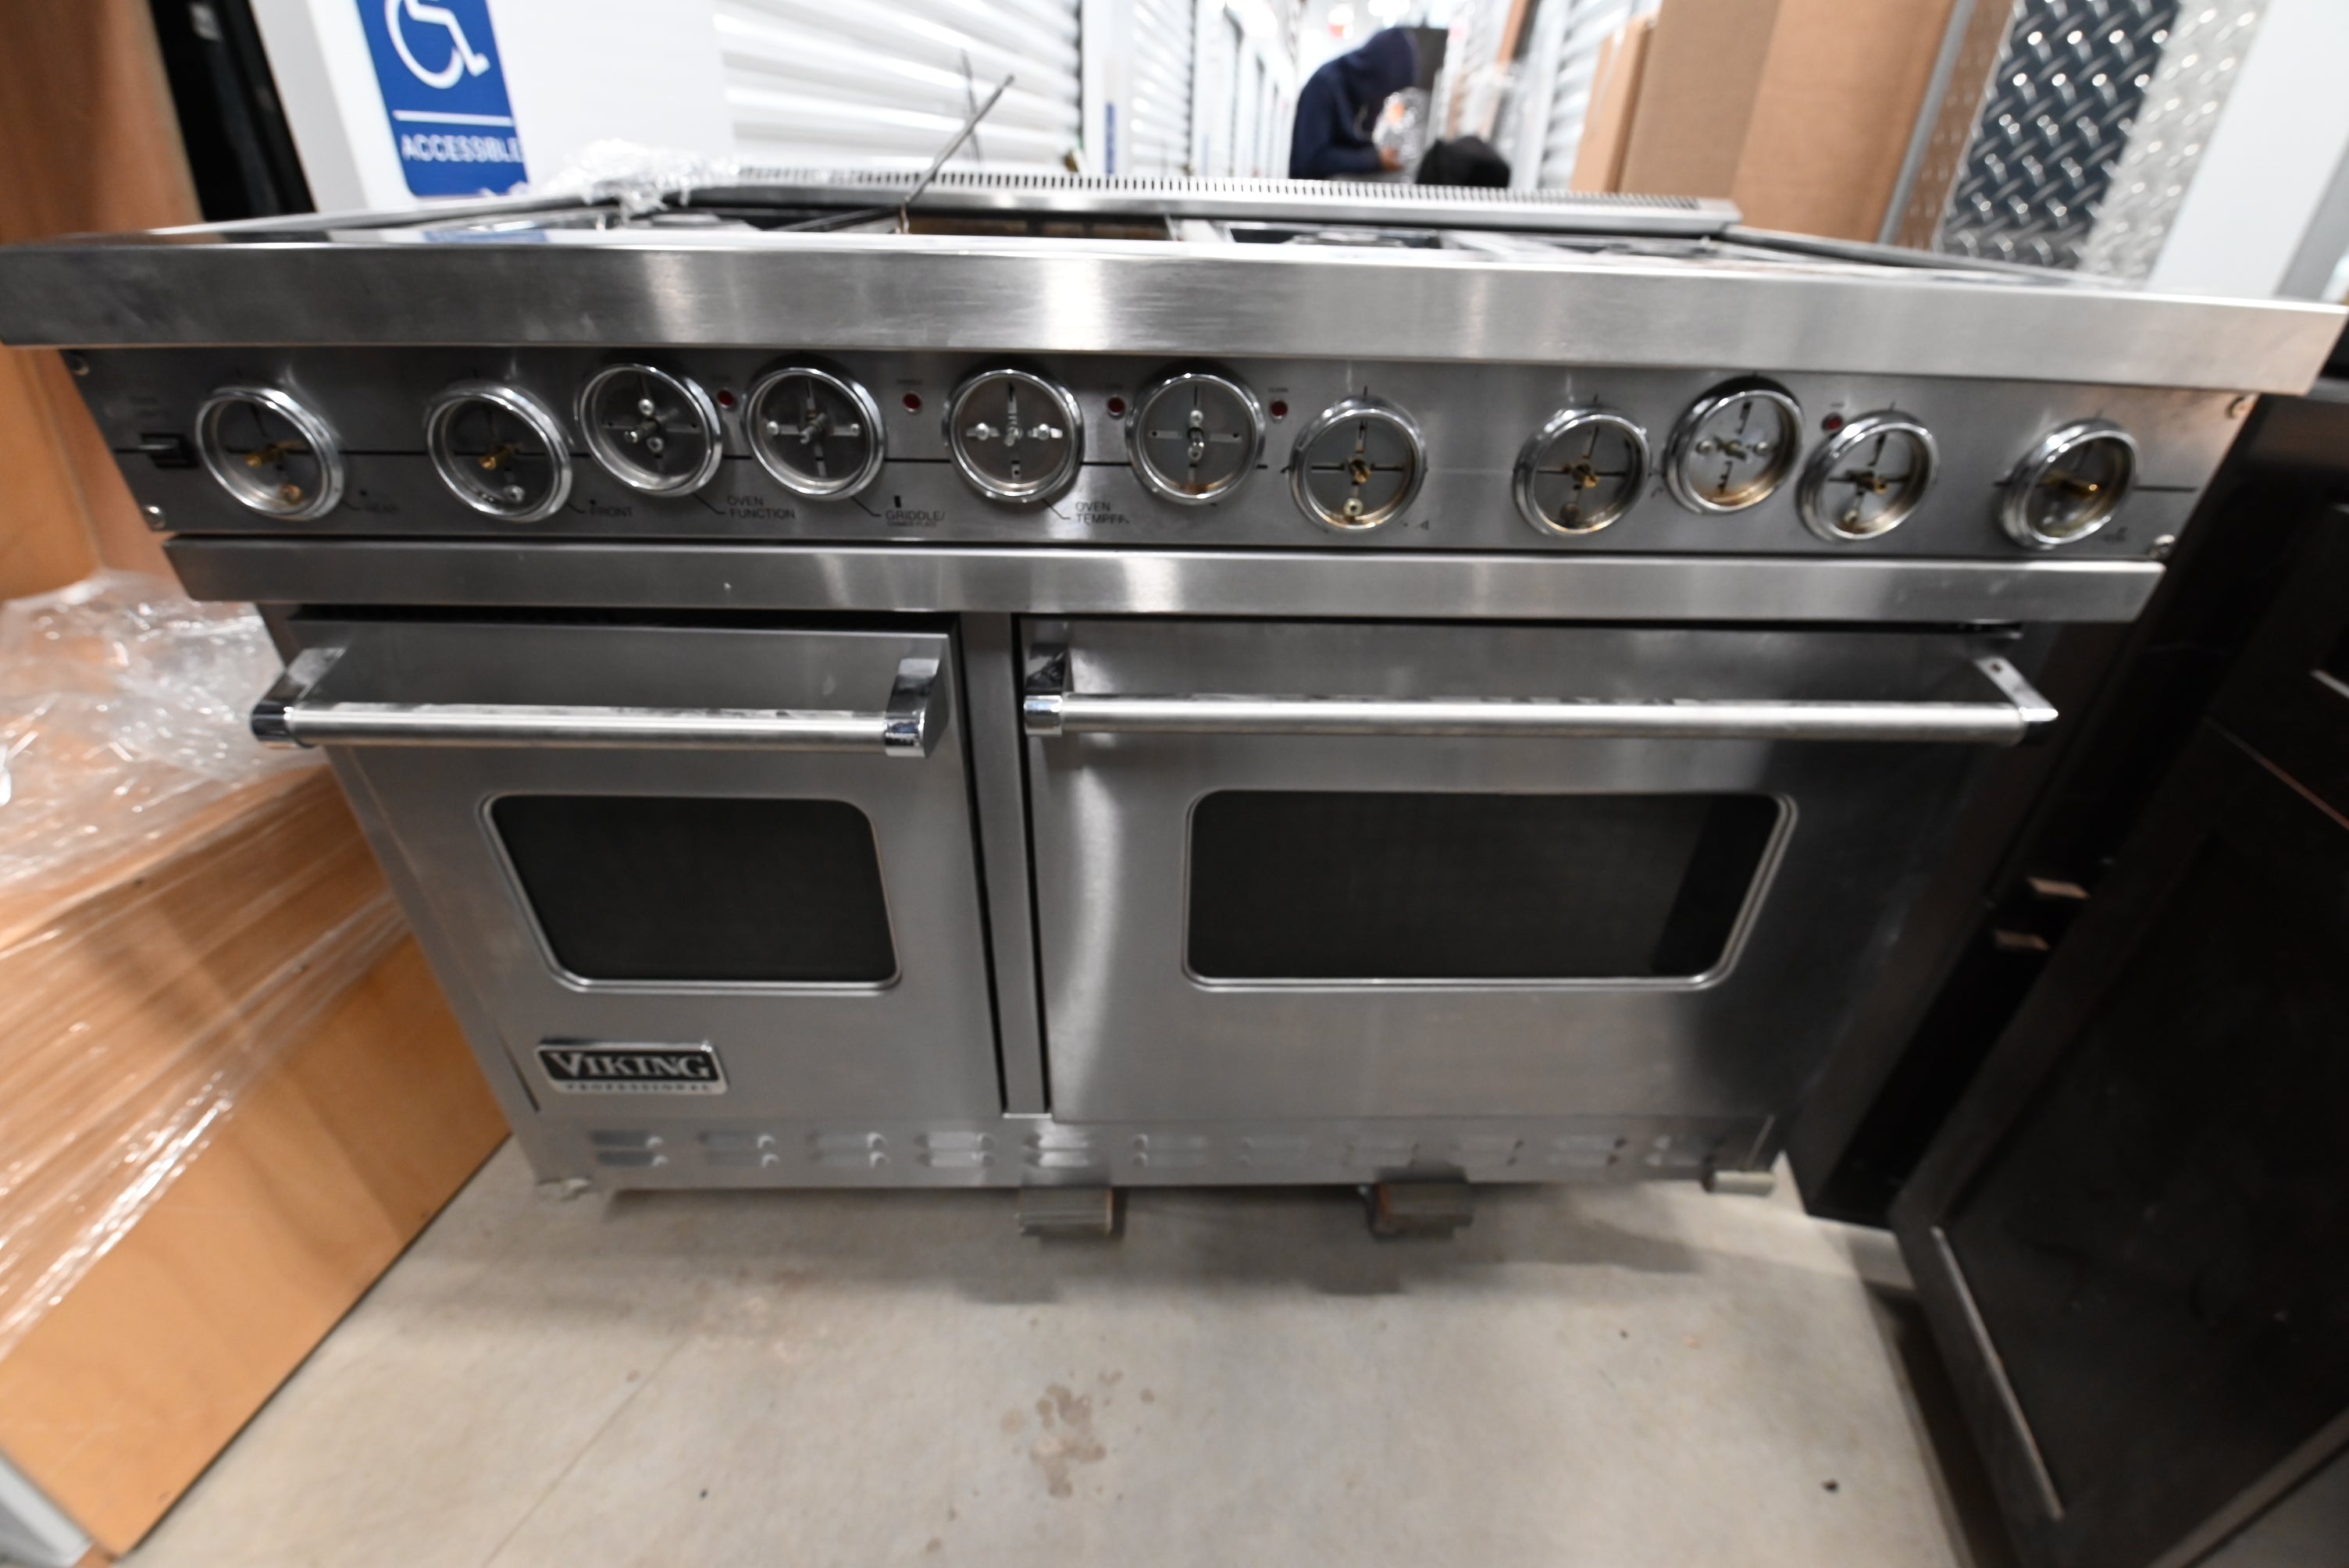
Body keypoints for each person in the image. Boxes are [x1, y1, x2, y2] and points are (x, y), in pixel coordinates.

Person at [1288, 28, 1418, 180]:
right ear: (1378, 76)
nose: (1384, 101)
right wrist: (1374, 160)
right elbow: (1312, 161)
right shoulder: (1326, 84)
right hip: (1310, 197)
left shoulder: (1361, 97)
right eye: (1387, 91)